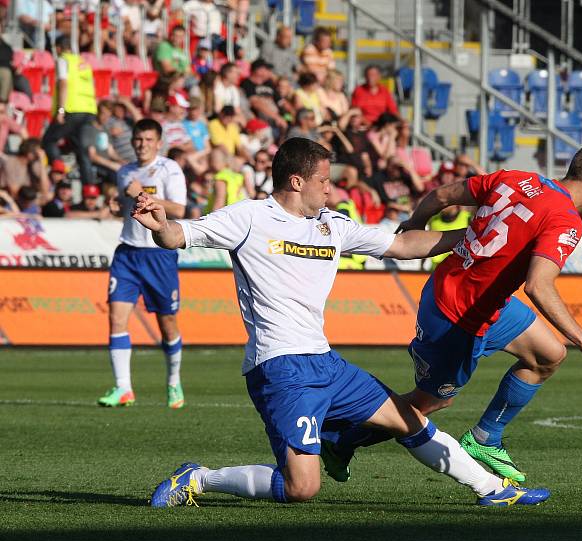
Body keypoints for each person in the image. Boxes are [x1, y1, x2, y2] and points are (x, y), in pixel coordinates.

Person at [137, 137, 550, 508]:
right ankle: (198, 478)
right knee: (302, 488)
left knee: (408, 418)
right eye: (323, 180)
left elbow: (403, 244)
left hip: (326, 363)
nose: (330, 188)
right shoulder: (248, 217)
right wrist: (160, 227)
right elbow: (179, 235)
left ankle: (493, 489)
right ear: (297, 182)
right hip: (280, 368)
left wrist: (479, 235)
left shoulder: (332, 224)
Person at [322, 143, 582, 484]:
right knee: (428, 404)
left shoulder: (516, 179)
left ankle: (485, 438)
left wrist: (416, 222)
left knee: (548, 354)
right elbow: (539, 286)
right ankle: (339, 439)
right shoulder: (565, 220)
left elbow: (442, 195)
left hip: (478, 301)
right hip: (456, 317)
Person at [98, 118, 187, 409]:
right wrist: (116, 205)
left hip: (158, 254)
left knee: (167, 323)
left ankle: (174, 382)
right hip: (128, 252)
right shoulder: (125, 172)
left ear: (158, 142)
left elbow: (178, 208)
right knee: (116, 317)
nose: (142, 144)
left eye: (148, 139)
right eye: (138, 139)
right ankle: (123, 388)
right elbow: (127, 205)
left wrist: (140, 193)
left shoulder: (169, 169)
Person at [42, 34, 98, 188]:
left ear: (59, 48)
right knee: (82, 150)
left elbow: (63, 83)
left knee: (49, 140)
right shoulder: (83, 62)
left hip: (72, 108)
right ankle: (89, 189)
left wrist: (60, 110)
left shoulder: (63, 60)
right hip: (89, 110)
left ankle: (60, 172)